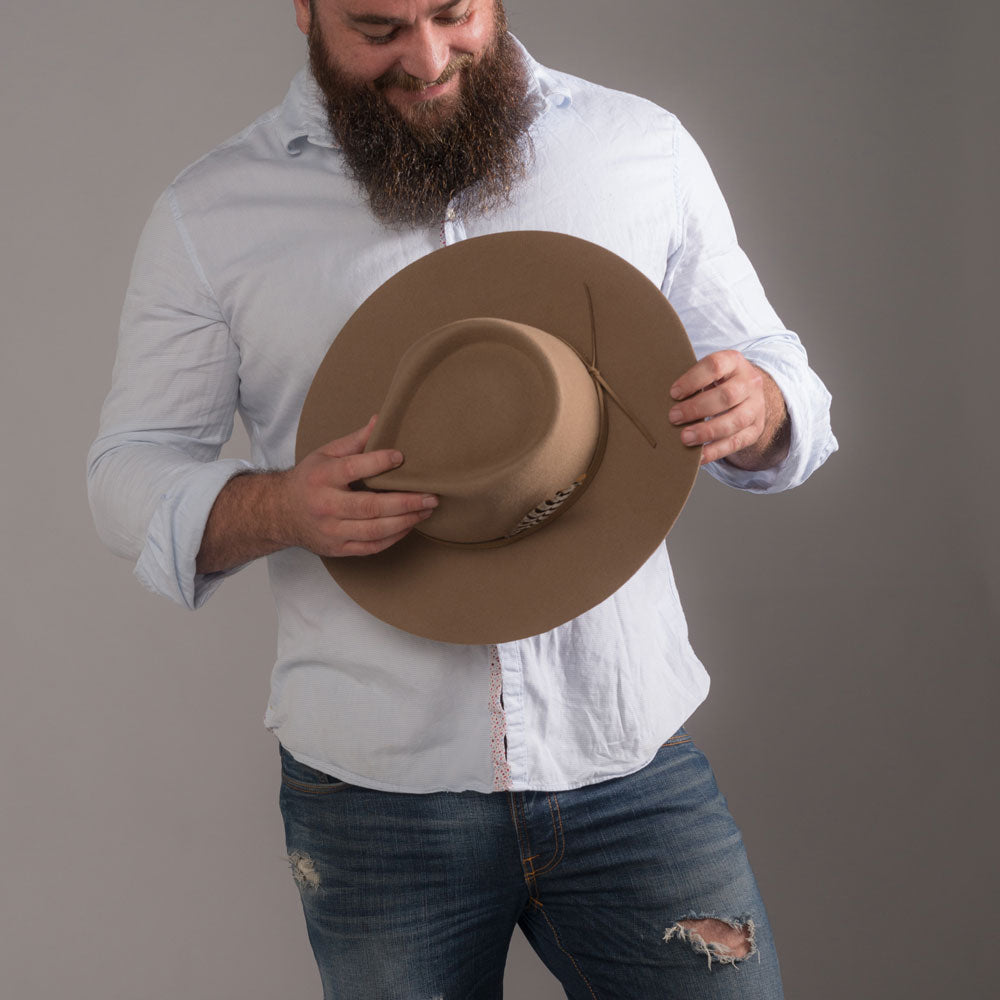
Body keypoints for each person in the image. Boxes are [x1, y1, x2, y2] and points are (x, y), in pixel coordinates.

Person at [87, 1, 836, 996]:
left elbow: (781, 373)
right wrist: (281, 508)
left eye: (453, 13)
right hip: (373, 795)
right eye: (380, 30)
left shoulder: (635, 147)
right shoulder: (214, 213)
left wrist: (764, 402)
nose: (429, 58)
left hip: (625, 758)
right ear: (304, 10)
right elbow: (127, 471)